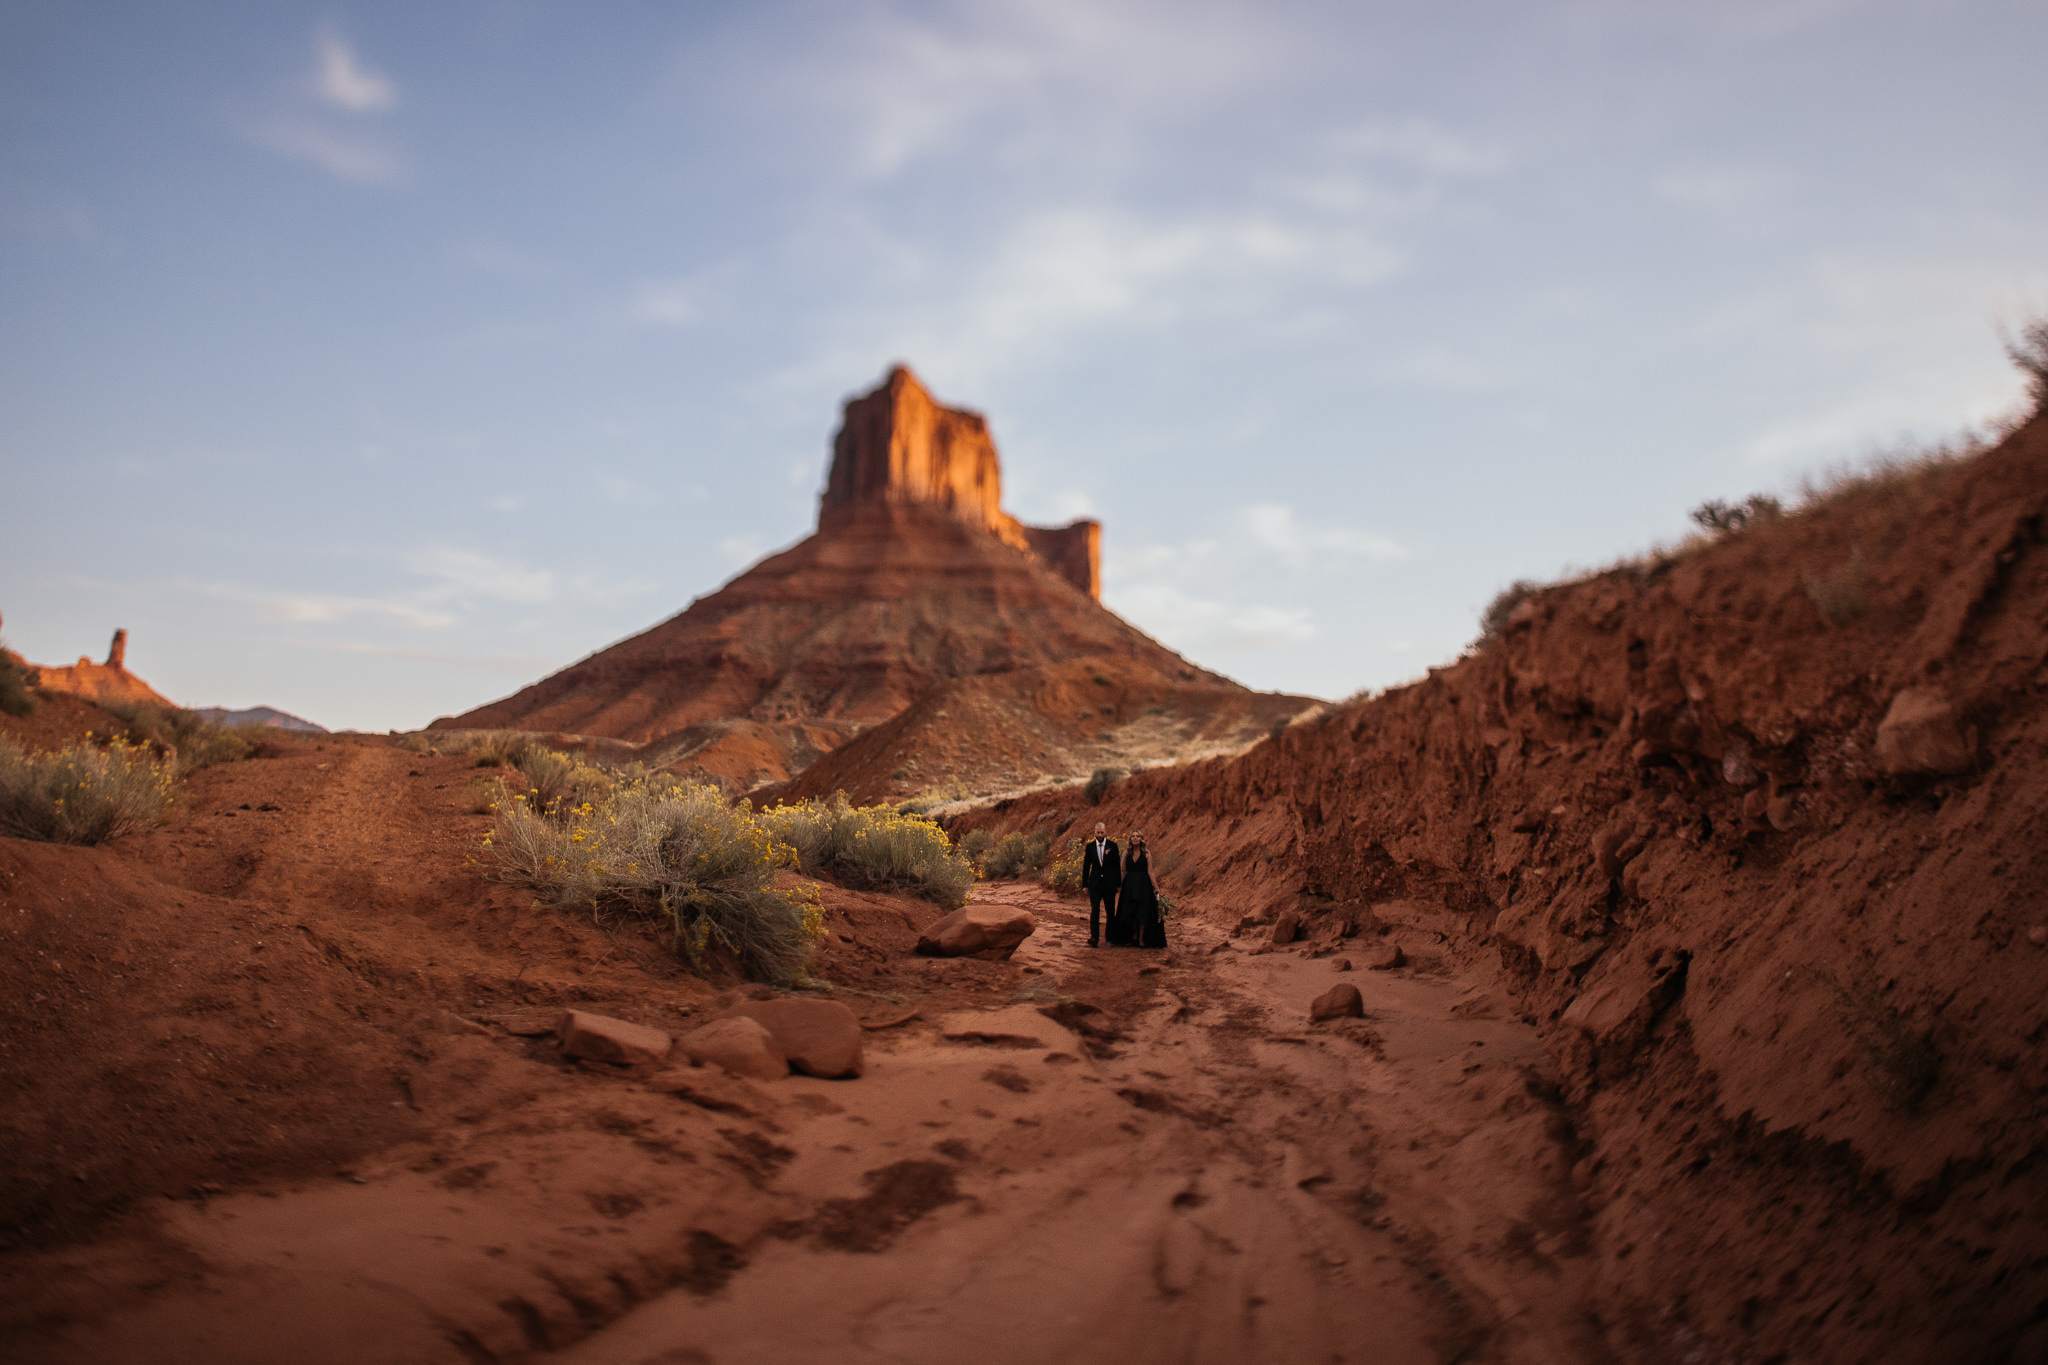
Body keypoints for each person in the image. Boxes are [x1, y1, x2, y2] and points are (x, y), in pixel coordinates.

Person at [1080, 820, 1121, 948]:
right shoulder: (1090, 847)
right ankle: (1094, 938)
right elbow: (1086, 866)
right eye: (1098, 832)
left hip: (1110, 884)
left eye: (1102, 832)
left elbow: (1117, 866)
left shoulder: (1113, 846)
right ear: (1094, 832)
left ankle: (1110, 938)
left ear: (1105, 832)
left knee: (1110, 912)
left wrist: (1118, 884)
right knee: (1095, 910)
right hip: (1095, 884)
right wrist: (1084, 884)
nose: (1100, 834)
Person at [1121, 833, 1167, 949]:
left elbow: (1150, 872)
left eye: (1138, 836)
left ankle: (1141, 938)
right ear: (1130, 839)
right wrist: (1119, 884)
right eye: (1133, 836)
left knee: (1142, 912)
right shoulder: (1126, 852)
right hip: (1129, 885)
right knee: (1131, 911)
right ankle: (1134, 935)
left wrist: (1156, 887)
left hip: (1143, 885)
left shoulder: (1146, 853)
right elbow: (1123, 870)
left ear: (1141, 839)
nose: (1135, 838)